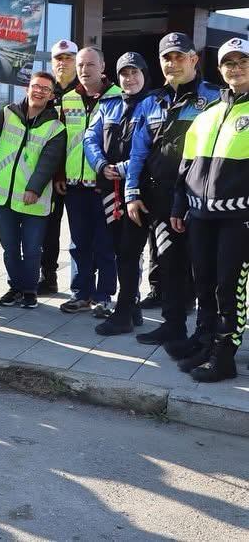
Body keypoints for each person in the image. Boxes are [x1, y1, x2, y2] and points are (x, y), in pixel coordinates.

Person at [124, 32, 221, 347]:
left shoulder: (216, 98)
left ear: (194, 59)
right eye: (167, 57)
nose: (173, 63)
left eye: (180, 56)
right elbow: (137, 153)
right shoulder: (151, 101)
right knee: (169, 264)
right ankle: (173, 325)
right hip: (161, 199)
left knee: (205, 268)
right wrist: (132, 194)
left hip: (201, 197)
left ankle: (208, 331)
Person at [169, 37, 249, 381]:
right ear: (219, 69)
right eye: (229, 63)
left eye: (243, 61)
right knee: (203, 283)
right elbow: (187, 164)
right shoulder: (208, 113)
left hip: (239, 217)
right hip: (201, 215)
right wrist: (179, 204)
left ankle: (224, 356)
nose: (236, 68)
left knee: (229, 289)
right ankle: (204, 342)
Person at [0, 71, 66, 309]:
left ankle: (29, 290)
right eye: (36, 86)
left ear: (51, 96)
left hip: (33, 200)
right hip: (4, 196)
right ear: (27, 88)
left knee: (31, 249)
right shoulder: (9, 112)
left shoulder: (56, 127)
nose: (39, 91)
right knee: (10, 248)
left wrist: (34, 189)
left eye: (45, 89)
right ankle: (15, 288)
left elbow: (49, 162)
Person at [84, 52, 150, 335]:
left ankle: (124, 312)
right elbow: (90, 137)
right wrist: (101, 165)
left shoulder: (155, 104)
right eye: (124, 73)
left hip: (140, 191)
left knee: (130, 251)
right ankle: (131, 308)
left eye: (135, 72)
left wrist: (122, 168)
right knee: (118, 250)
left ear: (145, 74)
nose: (130, 78)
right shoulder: (107, 104)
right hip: (110, 190)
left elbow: (152, 147)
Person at [57, 48, 118, 316]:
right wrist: (59, 174)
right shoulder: (68, 99)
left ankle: (104, 296)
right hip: (74, 185)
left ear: (103, 66)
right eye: (80, 65)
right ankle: (80, 293)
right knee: (78, 243)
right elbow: (60, 141)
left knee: (105, 244)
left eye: (90, 64)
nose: (84, 69)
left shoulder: (118, 97)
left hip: (105, 185)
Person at [40, 39, 80, 293]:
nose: (63, 63)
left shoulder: (85, 91)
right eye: (58, 58)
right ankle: (48, 277)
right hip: (49, 175)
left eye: (68, 58)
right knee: (48, 229)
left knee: (80, 233)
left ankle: (82, 285)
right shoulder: (45, 92)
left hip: (78, 174)